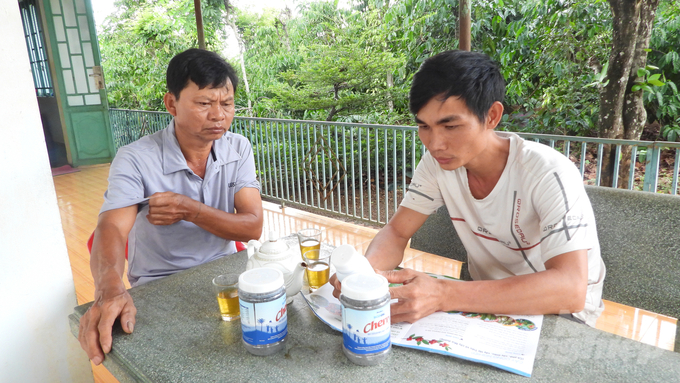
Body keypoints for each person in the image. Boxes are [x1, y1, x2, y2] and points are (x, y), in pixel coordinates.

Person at [332, 50, 605, 327]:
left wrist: (442, 294)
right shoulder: (436, 164)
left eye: (450, 126)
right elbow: (397, 231)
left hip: (559, 313)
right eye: (424, 126)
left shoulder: (547, 172)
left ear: (492, 116)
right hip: (480, 299)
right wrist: (365, 276)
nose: (435, 143)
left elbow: (570, 289)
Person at [78, 48, 263, 365]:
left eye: (227, 104)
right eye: (204, 104)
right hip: (158, 283)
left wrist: (190, 210)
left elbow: (252, 227)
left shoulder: (238, 147)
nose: (218, 115)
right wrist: (110, 289)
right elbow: (110, 227)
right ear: (171, 104)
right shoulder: (136, 158)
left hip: (225, 273)